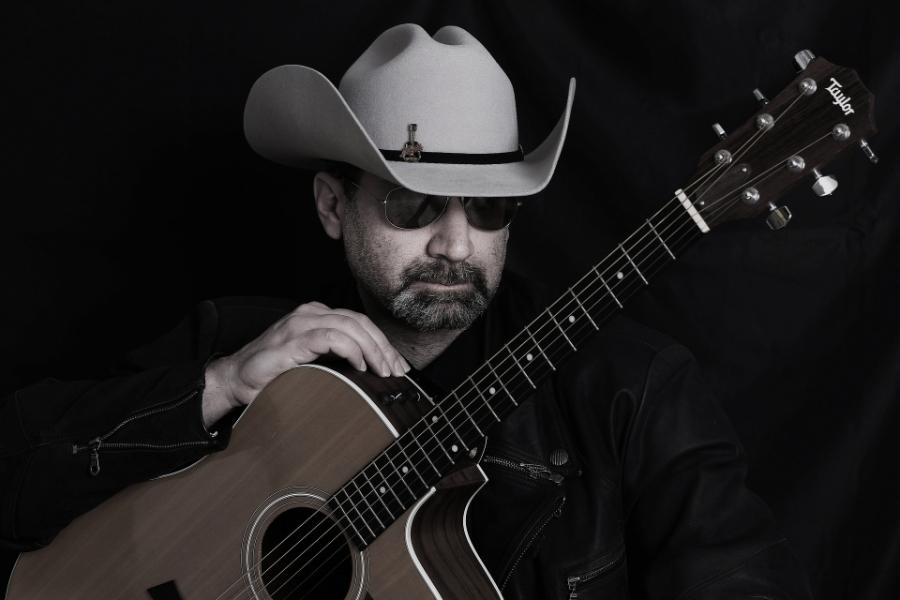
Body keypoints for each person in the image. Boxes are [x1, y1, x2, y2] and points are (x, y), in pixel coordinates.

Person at [1, 23, 811, 599]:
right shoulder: (236, 341)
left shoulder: (632, 393)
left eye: (489, 210)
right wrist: (215, 384)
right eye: (415, 206)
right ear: (331, 206)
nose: (457, 245)